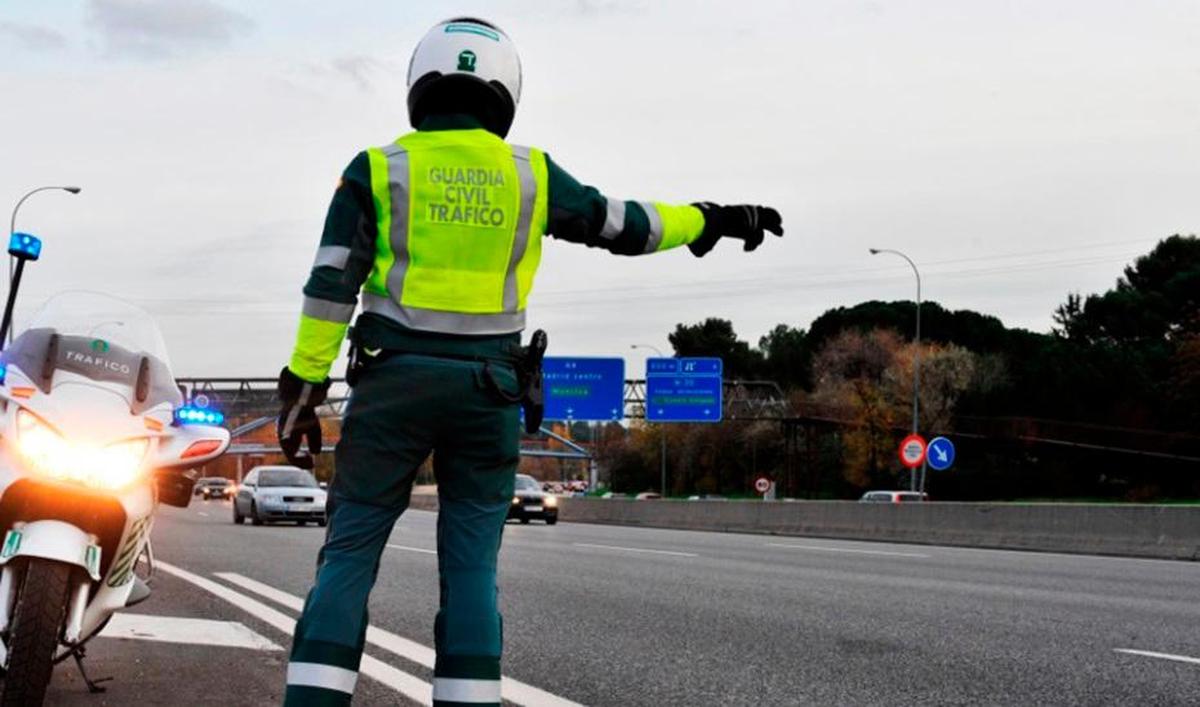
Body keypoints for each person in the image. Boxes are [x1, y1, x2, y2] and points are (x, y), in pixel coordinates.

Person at [276, 16, 783, 707]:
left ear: (419, 86)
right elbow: (625, 223)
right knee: (471, 567)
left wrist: (303, 387)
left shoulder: (378, 168)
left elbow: (331, 283)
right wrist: (711, 219)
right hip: (489, 394)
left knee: (350, 554)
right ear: (505, 90)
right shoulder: (531, 175)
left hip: (392, 388)